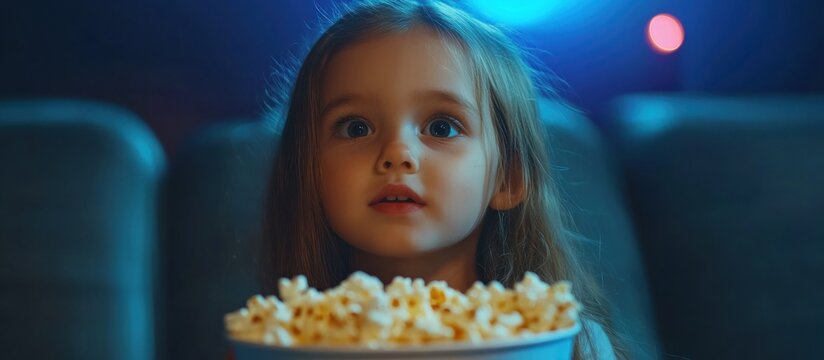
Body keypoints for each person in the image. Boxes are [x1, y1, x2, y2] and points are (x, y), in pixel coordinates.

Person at [259, 0, 625, 358]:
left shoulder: (570, 345)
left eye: (441, 127)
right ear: (308, 169)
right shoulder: (273, 342)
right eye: (356, 128)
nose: (397, 153)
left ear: (508, 178)